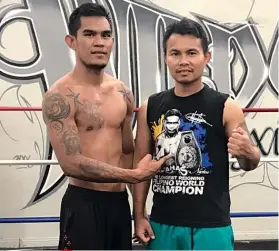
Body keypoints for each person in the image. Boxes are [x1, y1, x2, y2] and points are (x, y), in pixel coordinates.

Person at [42, 3, 170, 250]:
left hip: (119, 205)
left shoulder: (122, 92)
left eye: (106, 35)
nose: (99, 42)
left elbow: (127, 152)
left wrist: (139, 212)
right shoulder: (60, 96)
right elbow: (71, 163)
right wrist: (133, 175)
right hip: (83, 205)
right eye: (89, 34)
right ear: (72, 41)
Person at [133, 18, 261, 250]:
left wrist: (249, 151)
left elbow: (249, 163)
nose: (183, 61)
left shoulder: (226, 107)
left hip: (211, 225)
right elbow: (140, 167)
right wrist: (139, 215)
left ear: (206, 57)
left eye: (192, 53)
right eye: (175, 54)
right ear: (165, 58)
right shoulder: (149, 107)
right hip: (163, 224)